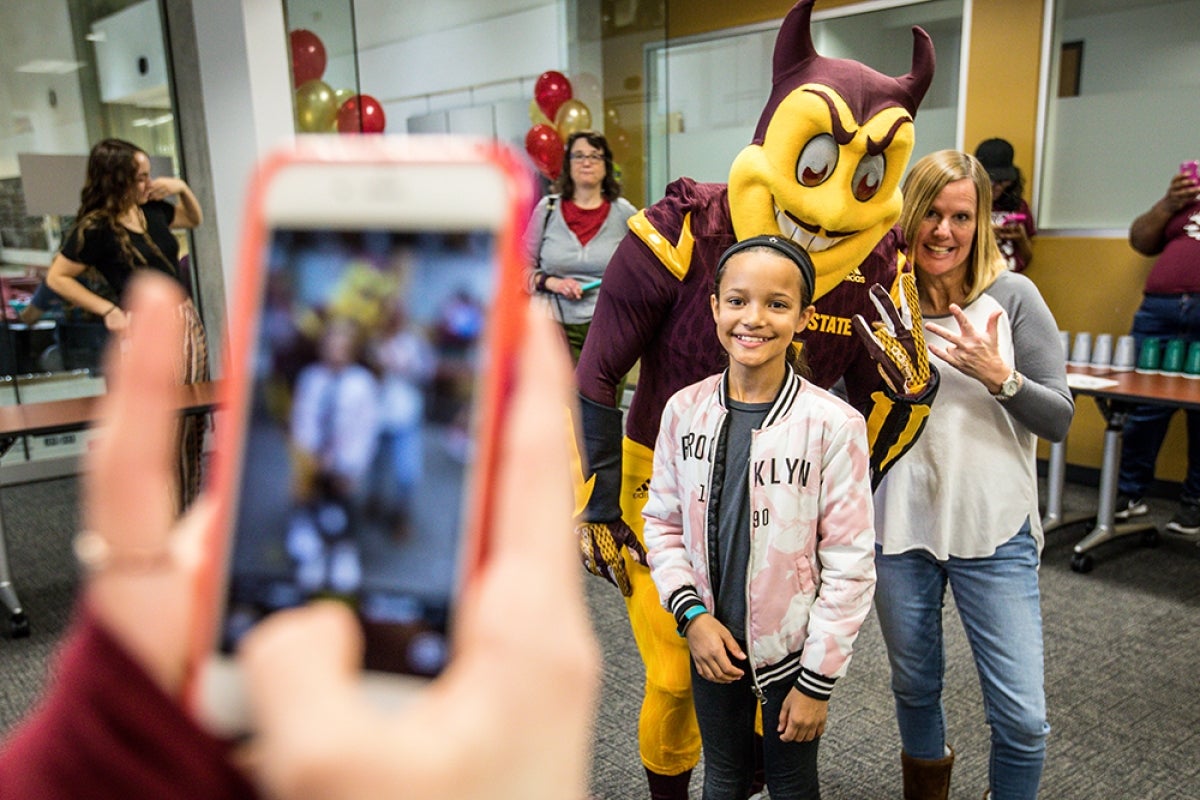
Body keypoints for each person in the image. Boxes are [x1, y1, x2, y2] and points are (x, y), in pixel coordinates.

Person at [0, 275, 600, 800]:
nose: (337, 350)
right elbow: (308, 425)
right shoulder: (316, 384)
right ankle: (334, 586)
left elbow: (364, 429)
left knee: (372, 511)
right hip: (324, 473)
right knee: (319, 535)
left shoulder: (369, 384)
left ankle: (371, 577)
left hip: (358, 464)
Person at [573, 3, 938, 796]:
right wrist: (600, 500)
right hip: (662, 464)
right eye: (817, 164)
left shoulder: (878, 262)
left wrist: (912, 401)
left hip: (785, 481)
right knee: (677, 669)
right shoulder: (681, 229)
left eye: (867, 177)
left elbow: (867, 439)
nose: (834, 205)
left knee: (764, 666)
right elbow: (597, 370)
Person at [871, 151, 1073, 800]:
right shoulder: (880, 301)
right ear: (908, 213)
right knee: (914, 686)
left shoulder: (1012, 296)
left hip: (995, 529)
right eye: (930, 211)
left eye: (961, 215)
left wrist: (1002, 377)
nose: (943, 230)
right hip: (899, 527)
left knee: (1023, 718)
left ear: (981, 220)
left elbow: (1061, 419)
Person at [643, 237, 876, 800]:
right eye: (738, 301)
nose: (754, 319)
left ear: (804, 318)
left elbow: (850, 564)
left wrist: (818, 682)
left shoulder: (834, 425)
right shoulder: (684, 410)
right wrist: (692, 617)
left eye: (776, 304)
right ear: (715, 308)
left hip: (792, 651)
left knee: (792, 781)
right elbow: (663, 525)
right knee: (722, 776)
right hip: (711, 639)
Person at [46, 137, 207, 509]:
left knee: (190, 426)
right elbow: (58, 277)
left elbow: (193, 219)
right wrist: (107, 309)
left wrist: (180, 187)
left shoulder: (151, 209)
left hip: (185, 321)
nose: (147, 184)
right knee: (160, 430)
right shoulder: (96, 227)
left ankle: (184, 514)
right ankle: (159, 521)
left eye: (149, 175)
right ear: (115, 178)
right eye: (139, 177)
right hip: (148, 330)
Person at [1113, 164, 1200, 535]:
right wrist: (1169, 202)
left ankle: (1193, 504)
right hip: (1160, 310)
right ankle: (1128, 495)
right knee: (1143, 402)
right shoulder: (1187, 202)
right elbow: (1141, 239)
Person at [526, 129, 637, 363]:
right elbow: (517, 268)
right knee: (560, 399)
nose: (586, 162)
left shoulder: (623, 212)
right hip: (553, 328)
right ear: (568, 164)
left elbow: (646, 266)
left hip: (609, 328)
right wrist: (553, 283)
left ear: (606, 165)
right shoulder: (547, 210)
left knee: (601, 399)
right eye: (578, 156)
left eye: (594, 156)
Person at [287, 317, 380, 593]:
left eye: (343, 347)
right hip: (313, 459)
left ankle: (343, 554)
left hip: (345, 462)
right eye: (331, 346)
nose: (336, 353)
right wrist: (307, 458)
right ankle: (314, 556)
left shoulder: (362, 383)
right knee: (312, 505)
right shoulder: (311, 378)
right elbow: (302, 419)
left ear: (352, 350)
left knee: (343, 509)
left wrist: (350, 466)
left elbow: (365, 428)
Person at [974, 138, 1036, 273]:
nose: (996, 187)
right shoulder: (966, 205)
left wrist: (1021, 238)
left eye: (1002, 181)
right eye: (990, 181)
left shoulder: (1019, 206)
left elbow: (1027, 259)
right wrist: (985, 235)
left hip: (1010, 278)